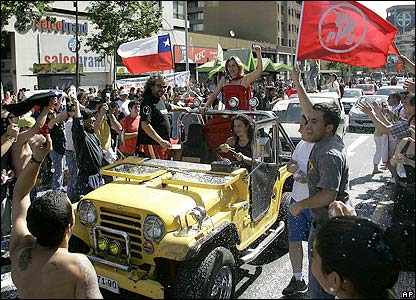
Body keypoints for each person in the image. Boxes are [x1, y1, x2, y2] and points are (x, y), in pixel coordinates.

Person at [9, 133, 102, 299]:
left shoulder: (19, 252)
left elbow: (20, 194)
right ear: (68, 228)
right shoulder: (78, 266)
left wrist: (37, 159)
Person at [289, 64, 349, 299]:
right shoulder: (322, 140)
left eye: (313, 122)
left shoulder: (328, 153)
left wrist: (301, 205)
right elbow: (310, 111)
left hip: (327, 228)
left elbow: (328, 195)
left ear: (329, 128)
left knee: (321, 289)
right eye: (308, 121)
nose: (306, 125)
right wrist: (297, 82)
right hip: (321, 225)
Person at [312, 216, 411, 299]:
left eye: (314, 256)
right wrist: (348, 230)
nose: (312, 258)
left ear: (334, 280)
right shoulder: (380, 286)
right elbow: (364, 254)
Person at [282, 115, 314, 296]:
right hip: (296, 201)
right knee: (294, 241)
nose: (299, 129)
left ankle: (316, 283)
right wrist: (293, 167)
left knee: (314, 246)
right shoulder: (301, 144)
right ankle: (298, 279)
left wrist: (308, 178)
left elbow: (330, 182)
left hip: (314, 205)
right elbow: (290, 164)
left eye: (302, 125)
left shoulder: (322, 148)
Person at [135, 74, 190, 160]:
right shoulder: (147, 102)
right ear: (151, 86)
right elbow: (145, 125)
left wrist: (184, 109)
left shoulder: (160, 100)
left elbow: (170, 107)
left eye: (164, 86)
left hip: (163, 144)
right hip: (152, 144)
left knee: (180, 147)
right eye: (159, 86)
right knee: (156, 170)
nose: (162, 89)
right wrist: (161, 141)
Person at [200, 45, 263, 112]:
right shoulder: (224, 80)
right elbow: (214, 94)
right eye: (229, 66)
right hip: (227, 113)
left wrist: (258, 53)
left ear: (238, 67)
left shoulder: (245, 79)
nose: (231, 68)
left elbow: (259, 70)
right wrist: (205, 106)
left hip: (241, 114)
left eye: (233, 66)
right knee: (209, 123)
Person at [70, 95, 104, 202]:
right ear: (83, 121)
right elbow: (78, 123)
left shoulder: (90, 132)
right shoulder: (80, 135)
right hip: (86, 178)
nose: (94, 119)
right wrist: (76, 105)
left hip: (97, 175)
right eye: (91, 118)